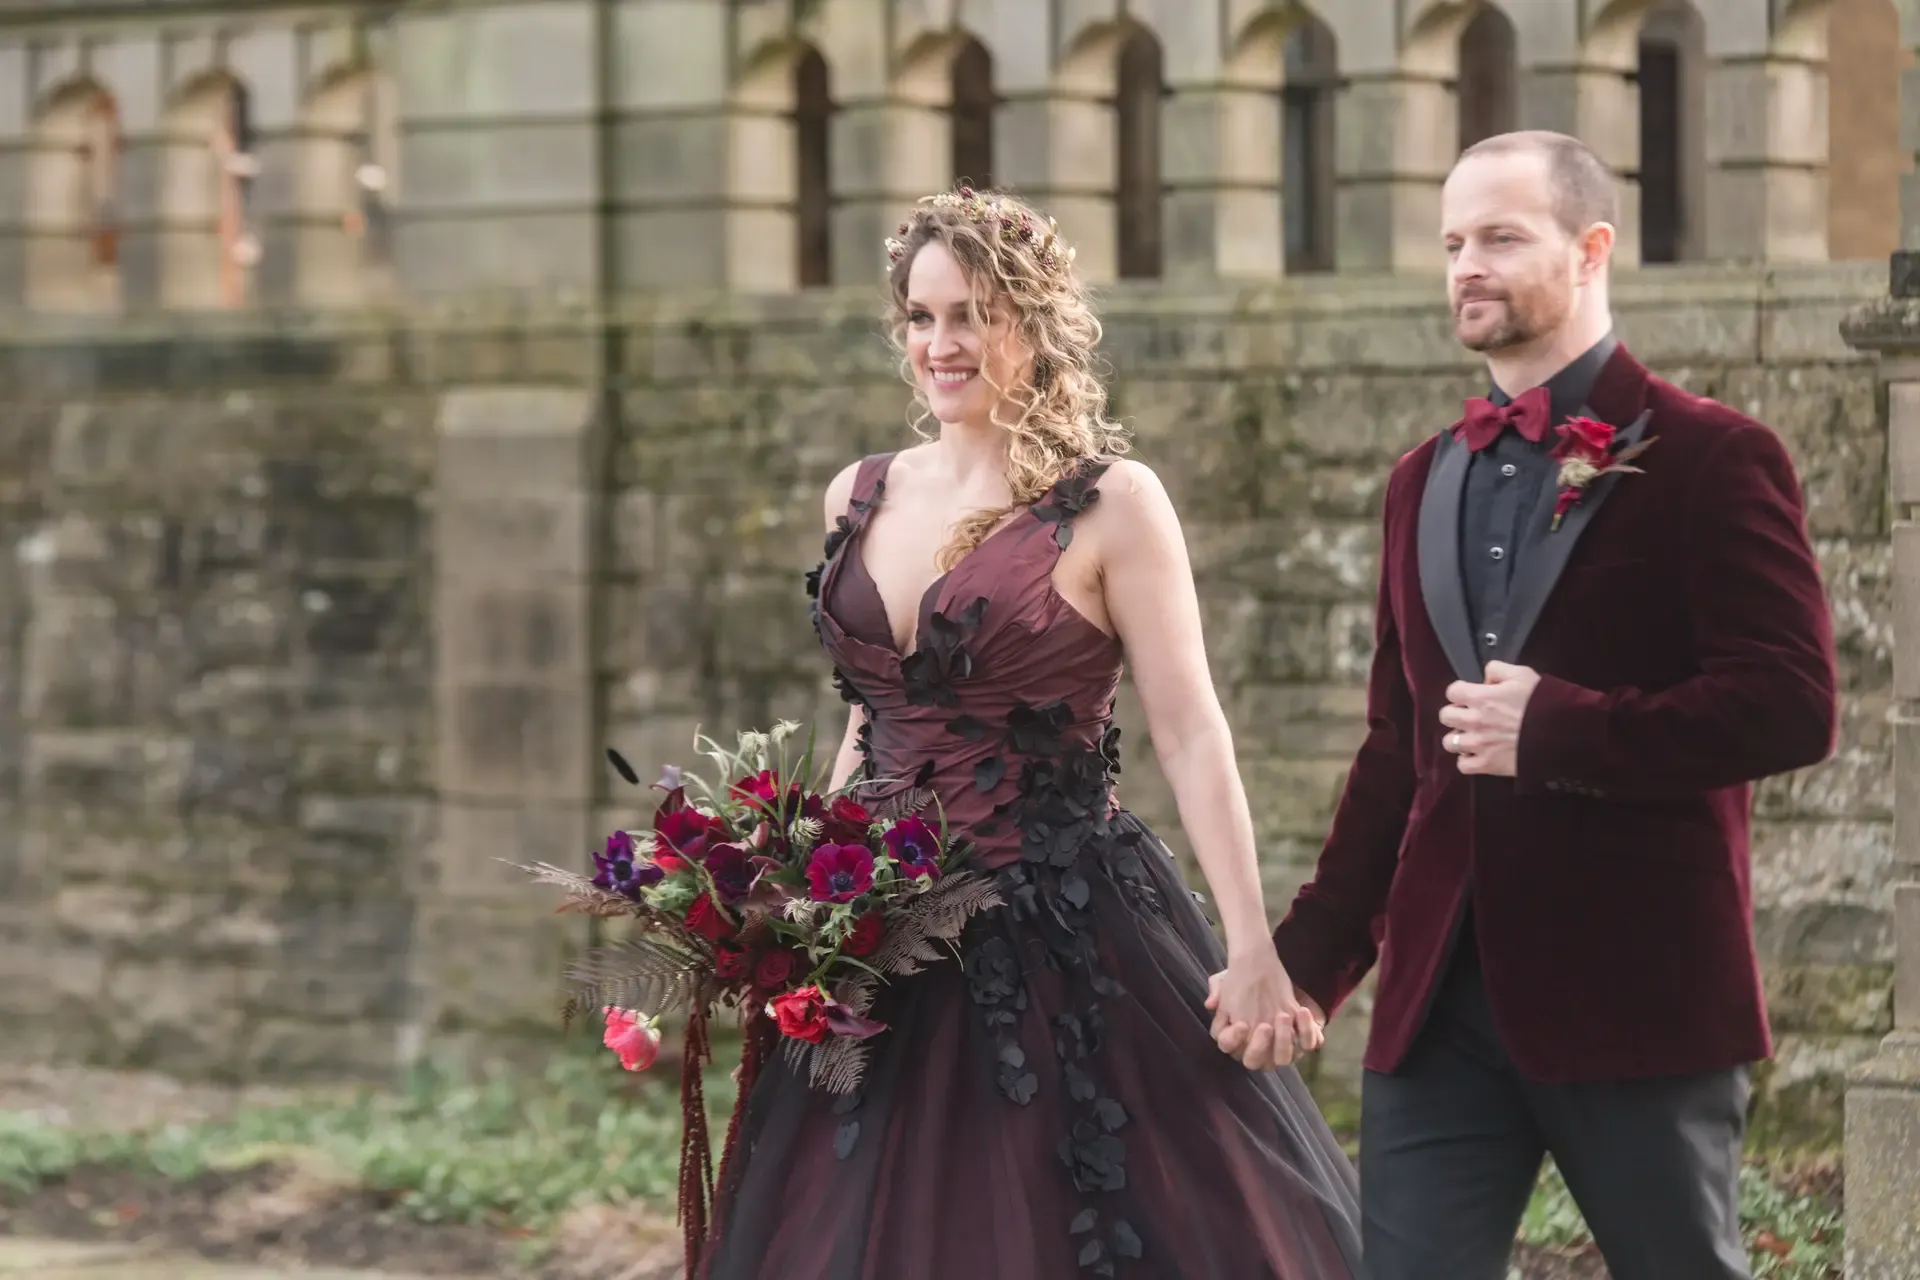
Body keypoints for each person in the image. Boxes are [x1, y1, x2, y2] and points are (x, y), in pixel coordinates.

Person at [697, 186, 1364, 1279]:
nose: (941, 343)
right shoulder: (859, 494)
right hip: (878, 938)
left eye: (972, 313)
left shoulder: (1111, 503)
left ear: (1036, 320)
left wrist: (1253, 946)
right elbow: (873, 708)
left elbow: (1193, 730)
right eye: (921, 316)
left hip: (1060, 931)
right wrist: (803, 898)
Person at [1211, 130, 1839, 1279]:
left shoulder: (1713, 457)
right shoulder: (1419, 479)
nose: (1467, 265)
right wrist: (1307, 960)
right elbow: (1399, 749)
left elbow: (1792, 703)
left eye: (1501, 236)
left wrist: (1561, 729)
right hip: (1438, 1002)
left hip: (1639, 993)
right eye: (1453, 241)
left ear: (1592, 248)